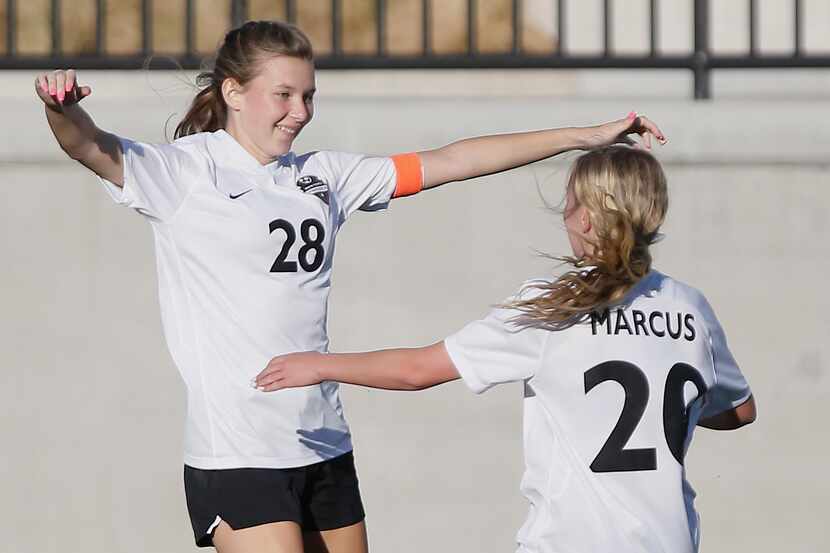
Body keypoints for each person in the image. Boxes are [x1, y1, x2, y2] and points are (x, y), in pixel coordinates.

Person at [36, 19, 666, 553]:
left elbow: (454, 160)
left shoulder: (325, 177)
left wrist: (584, 136)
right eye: (283, 95)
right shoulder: (184, 172)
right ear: (233, 91)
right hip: (239, 452)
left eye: (309, 96)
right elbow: (90, 147)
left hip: (324, 442)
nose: (300, 112)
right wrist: (61, 109)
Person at [255, 145, 757, 553]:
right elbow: (739, 410)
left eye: (570, 201)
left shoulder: (553, 306)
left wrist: (319, 364)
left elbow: (418, 370)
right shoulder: (690, 307)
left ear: (585, 220)